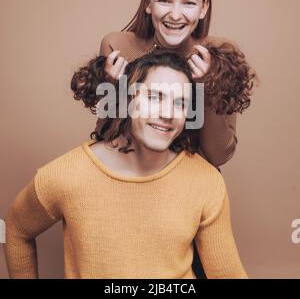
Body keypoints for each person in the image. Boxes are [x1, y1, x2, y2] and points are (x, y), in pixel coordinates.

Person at [4, 51, 247, 279]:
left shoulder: (205, 181)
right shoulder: (69, 175)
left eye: (180, 103)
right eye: (154, 97)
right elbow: (17, 230)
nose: (168, 113)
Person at [72, 0, 256, 170]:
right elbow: (107, 140)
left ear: (203, 8)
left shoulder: (220, 55)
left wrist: (207, 86)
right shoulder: (117, 46)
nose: (175, 15)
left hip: (189, 183)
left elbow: (219, 154)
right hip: (130, 177)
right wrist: (114, 88)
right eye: (164, 1)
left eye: (188, 3)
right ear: (148, 3)